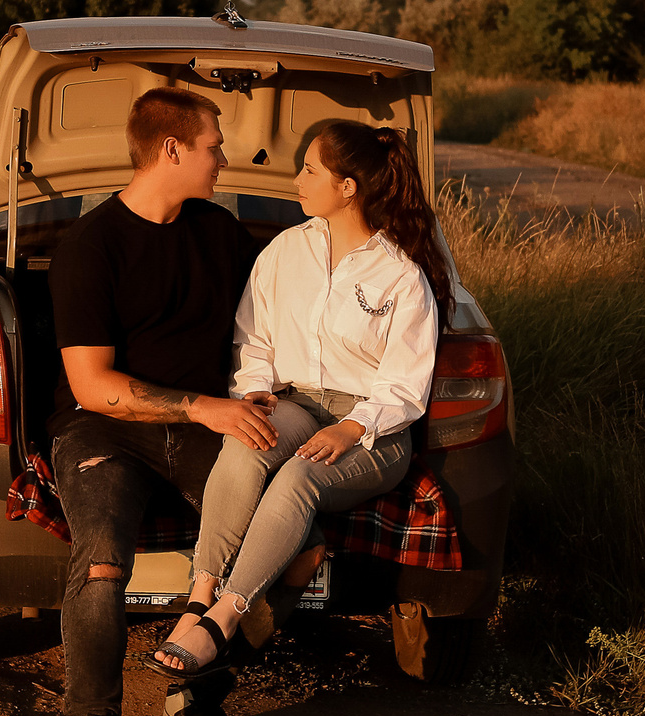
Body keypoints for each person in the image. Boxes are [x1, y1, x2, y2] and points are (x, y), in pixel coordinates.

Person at [46, 85, 278, 716]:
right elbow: (92, 383)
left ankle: (193, 704)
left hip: (205, 428)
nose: (225, 157)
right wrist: (206, 406)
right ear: (172, 149)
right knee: (104, 557)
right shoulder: (91, 244)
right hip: (104, 428)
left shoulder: (218, 232)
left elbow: (286, 305)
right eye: (215, 144)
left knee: (276, 540)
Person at [151, 120, 448, 680]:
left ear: (348, 188)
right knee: (245, 441)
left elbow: (405, 387)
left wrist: (350, 429)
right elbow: (252, 336)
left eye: (310, 170)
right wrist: (254, 391)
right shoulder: (286, 251)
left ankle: (226, 617)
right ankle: (199, 596)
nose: (296, 180)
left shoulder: (400, 275)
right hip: (295, 402)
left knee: (299, 476)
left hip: (374, 428)